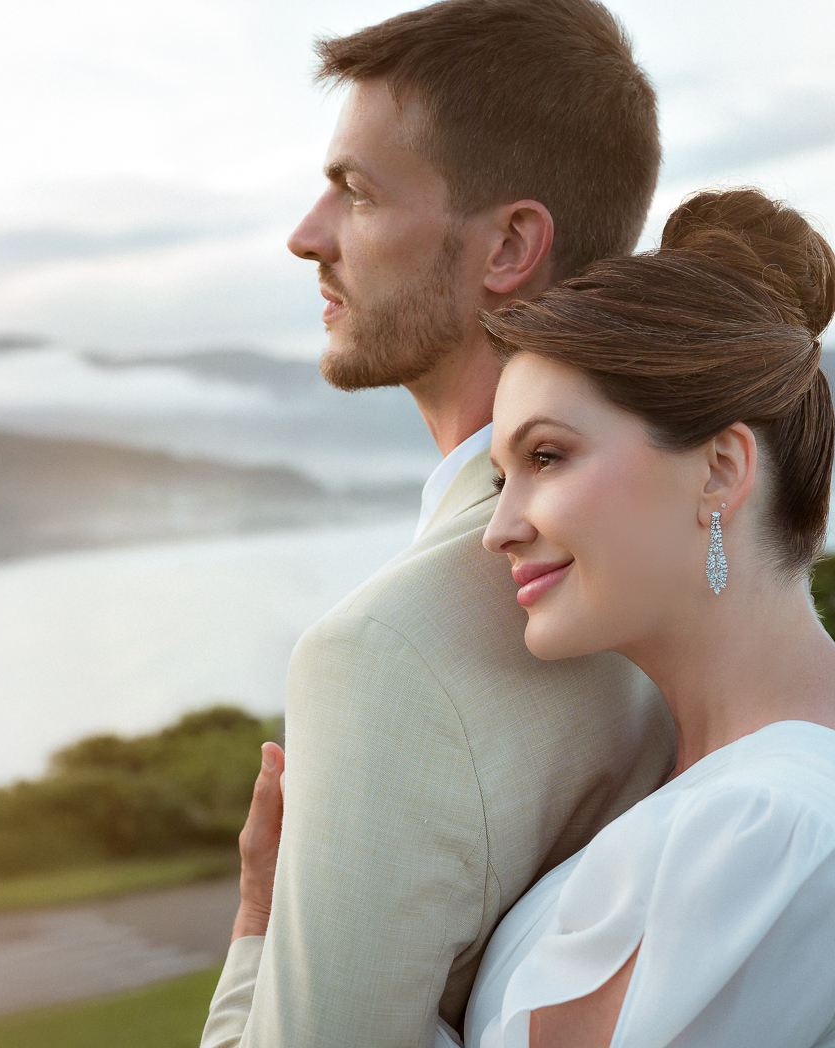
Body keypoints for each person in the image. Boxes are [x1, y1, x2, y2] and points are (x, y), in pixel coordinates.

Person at [202, 2, 675, 1046]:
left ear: (509, 243)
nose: (305, 235)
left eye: (356, 192)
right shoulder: (682, 549)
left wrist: (253, 928)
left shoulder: (384, 653)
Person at [461, 187, 835, 1046]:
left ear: (719, 469)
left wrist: (269, 940)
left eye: (547, 456)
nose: (499, 528)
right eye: (500, 477)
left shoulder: (762, 833)